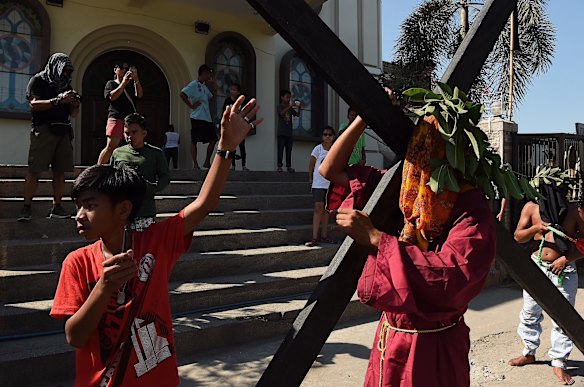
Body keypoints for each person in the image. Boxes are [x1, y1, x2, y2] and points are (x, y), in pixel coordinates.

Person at [49, 95, 262, 386]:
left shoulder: (156, 242)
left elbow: (204, 203)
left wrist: (224, 148)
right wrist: (104, 286)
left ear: (123, 209)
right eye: (77, 207)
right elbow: (75, 336)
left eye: (90, 205)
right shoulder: (77, 263)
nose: (80, 215)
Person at [319, 89, 496, 386]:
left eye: (432, 152)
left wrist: (377, 239)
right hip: (390, 338)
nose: (422, 162)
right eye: (418, 151)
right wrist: (364, 118)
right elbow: (329, 169)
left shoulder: (470, 209)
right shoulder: (404, 190)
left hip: (434, 348)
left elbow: (452, 278)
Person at [508, 175, 584, 385]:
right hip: (537, 269)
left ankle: (559, 362)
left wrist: (565, 259)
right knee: (530, 312)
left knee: (563, 316)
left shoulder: (574, 210)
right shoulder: (531, 208)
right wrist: (535, 229)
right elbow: (517, 237)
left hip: (564, 272)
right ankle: (529, 351)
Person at [17, 53, 80, 222]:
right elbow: (33, 105)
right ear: (56, 67)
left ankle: (57, 206)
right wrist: (58, 100)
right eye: (64, 70)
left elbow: (74, 114)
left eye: (69, 71)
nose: (66, 74)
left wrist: (74, 104)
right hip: (43, 130)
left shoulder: (66, 85)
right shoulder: (38, 81)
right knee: (35, 169)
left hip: (63, 131)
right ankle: (26, 207)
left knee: (60, 171)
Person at [110, 113, 170, 229]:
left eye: (134, 132)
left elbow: (165, 177)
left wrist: (152, 188)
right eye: (127, 133)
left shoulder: (156, 153)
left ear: (144, 133)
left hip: (145, 211)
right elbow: (111, 176)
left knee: (145, 245)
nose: (130, 137)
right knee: (123, 245)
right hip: (122, 212)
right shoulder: (118, 153)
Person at [97, 61, 143, 165]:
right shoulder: (111, 84)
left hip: (130, 120)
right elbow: (111, 97)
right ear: (115, 70)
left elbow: (139, 95)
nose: (125, 71)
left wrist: (136, 80)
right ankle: (98, 170)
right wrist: (123, 84)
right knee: (111, 146)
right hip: (116, 117)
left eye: (127, 69)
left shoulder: (131, 85)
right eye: (122, 68)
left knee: (133, 145)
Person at [180, 64, 217, 170]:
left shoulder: (204, 87)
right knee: (194, 140)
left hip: (207, 118)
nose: (210, 76)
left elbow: (212, 98)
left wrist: (214, 86)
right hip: (197, 117)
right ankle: (195, 163)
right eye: (208, 74)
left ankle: (206, 161)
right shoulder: (193, 84)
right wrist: (190, 105)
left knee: (213, 139)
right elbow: (182, 94)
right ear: (204, 73)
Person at [305, 126, 336, 247]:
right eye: (325, 134)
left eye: (330, 134)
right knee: (318, 208)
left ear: (333, 137)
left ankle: (324, 235)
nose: (327, 137)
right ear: (322, 136)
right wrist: (310, 180)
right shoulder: (317, 149)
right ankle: (314, 237)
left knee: (327, 210)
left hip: (331, 183)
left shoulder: (335, 149)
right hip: (318, 183)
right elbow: (311, 166)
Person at [222, 84, 249, 170]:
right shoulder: (228, 101)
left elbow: (246, 112)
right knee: (232, 147)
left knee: (242, 146)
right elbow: (224, 112)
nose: (232, 91)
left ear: (238, 92)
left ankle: (244, 165)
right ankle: (232, 165)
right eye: (231, 89)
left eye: (234, 90)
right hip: (231, 126)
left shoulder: (242, 101)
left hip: (239, 126)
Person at [276, 89, 301, 172]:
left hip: (289, 132)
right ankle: (279, 166)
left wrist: (299, 108)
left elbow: (297, 115)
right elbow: (281, 113)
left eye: (289, 97)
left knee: (289, 150)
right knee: (280, 149)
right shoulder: (280, 106)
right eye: (287, 97)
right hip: (281, 132)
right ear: (282, 97)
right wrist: (290, 106)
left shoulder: (290, 108)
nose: (288, 99)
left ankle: (288, 166)